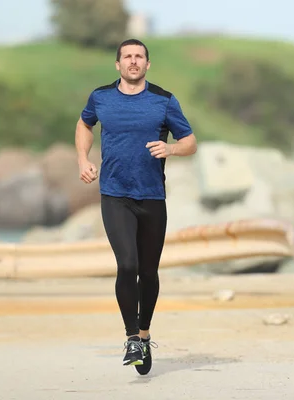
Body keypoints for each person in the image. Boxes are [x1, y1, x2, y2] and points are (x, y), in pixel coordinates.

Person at [75, 38, 197, 371]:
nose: (133, 61)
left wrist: (171, 149)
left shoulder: (164, 100)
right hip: (115, 195)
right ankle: (131, 337)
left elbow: (189, 141)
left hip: (153, 197)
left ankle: (144, 336)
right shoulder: (101, 97)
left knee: (149, 272)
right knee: (127, 264)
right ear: (118, 64)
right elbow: (85, 123)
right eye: (127, 56)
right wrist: (83, 158)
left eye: (139, 56)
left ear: (147, 64)